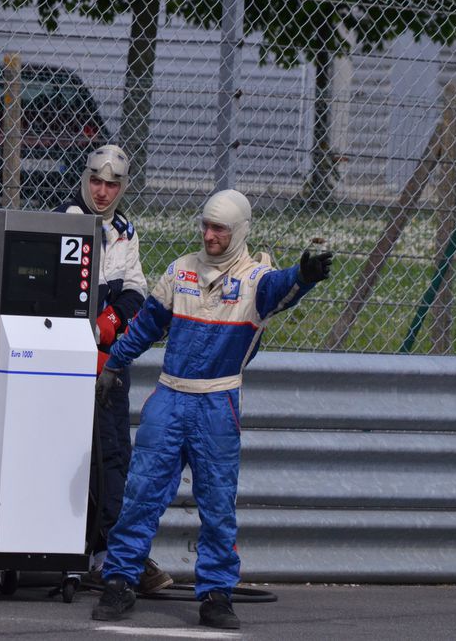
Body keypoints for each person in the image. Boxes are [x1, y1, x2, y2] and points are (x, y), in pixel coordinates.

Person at [91, 189, 333, 629]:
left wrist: (307, 273)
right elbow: (147, 323)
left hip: (218, 401)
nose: (209, 234)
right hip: (169, 396)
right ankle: (120, 581)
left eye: (219, 228)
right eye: (205, 225)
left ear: (239, 231)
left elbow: (286, 287)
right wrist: (116, 363)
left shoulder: (257, 279)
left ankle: (217, 594)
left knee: (218, 504)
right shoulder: (180, 270)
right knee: (141, 493)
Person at [55, 144, 172, 594]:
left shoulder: (125, 230)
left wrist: (109, 322)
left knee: (114, 457)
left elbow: (137, 292)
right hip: (67, 363)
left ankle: (111, 553)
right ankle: (95, 551)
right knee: (80, 458)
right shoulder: (67, 221)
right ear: (85, 179)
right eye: (97, 182)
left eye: (113, 185)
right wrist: (93, 324)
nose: (103, 193)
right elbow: (65, 294)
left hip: (109, 361)